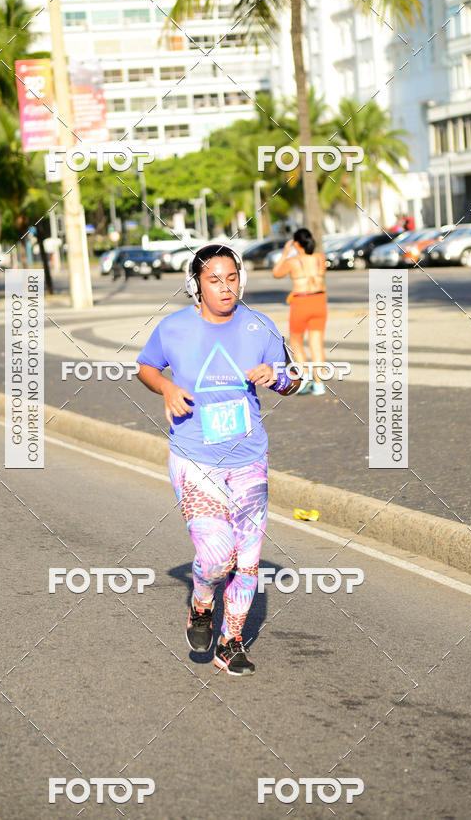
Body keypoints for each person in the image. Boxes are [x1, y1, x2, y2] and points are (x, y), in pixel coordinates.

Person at [136, 244, 300, 676]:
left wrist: (277, 377)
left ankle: (231, 643)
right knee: (216, 557)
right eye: (214, 280)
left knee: (247, 561)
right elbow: (146, 367)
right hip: (195, 458)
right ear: (196, 286)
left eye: (232, 278)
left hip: (249, 458)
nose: (226, 288)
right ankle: (202, 602)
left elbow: (294, 379)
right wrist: (167, 389)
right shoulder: (174, 328)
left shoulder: (259, 326)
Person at [272, 227, 327, 395]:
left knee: (296, 342)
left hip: (301, 302)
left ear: (296, 243)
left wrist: (284, 253)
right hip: (319, 300)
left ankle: (305, 377)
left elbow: (276, 273)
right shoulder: (320, 258)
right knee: (316, 344)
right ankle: (319, 385)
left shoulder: (293, 261)